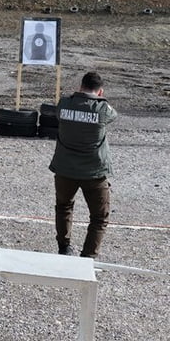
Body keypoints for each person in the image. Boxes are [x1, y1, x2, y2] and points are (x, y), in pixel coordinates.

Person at [48, 71, 118, 259]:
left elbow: (58, 112)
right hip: (94, 172)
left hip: (65, 169)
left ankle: (64, 247)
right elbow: (113, 115)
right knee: (99, 217)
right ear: (100, 91)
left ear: (80, 86)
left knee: (63, 207)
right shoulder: (102, 109)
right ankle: (87, 257)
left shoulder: (64, 104)